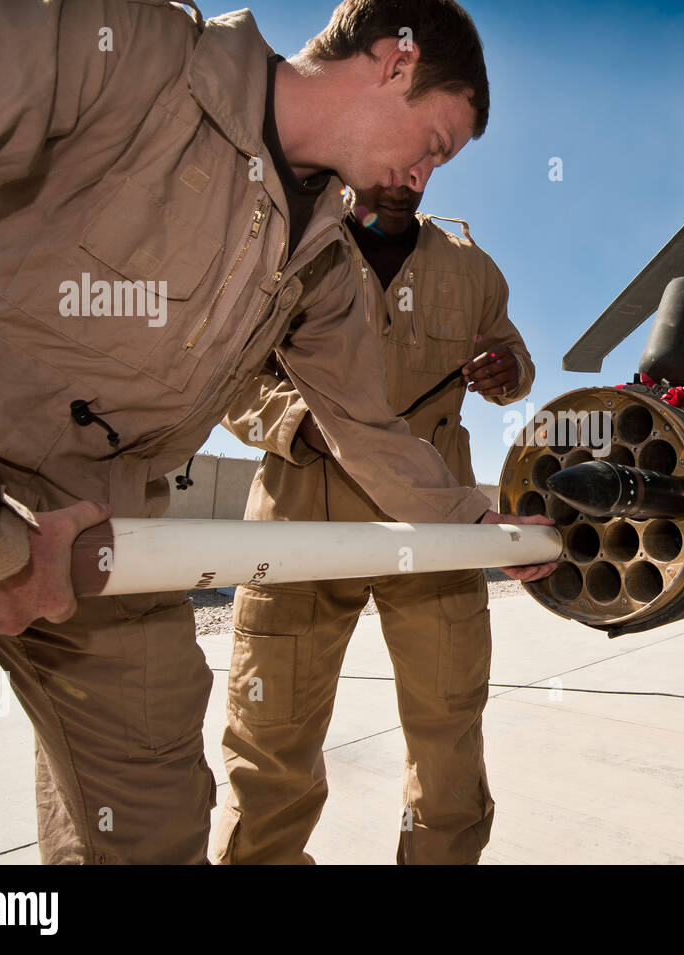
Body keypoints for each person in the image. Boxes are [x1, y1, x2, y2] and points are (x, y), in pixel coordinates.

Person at [0, 0, 552, 864]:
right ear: (396, 61)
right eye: (434, 144)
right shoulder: (113, 46)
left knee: (156, 817)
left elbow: (366, 424)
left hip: (101, 535)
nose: (425, 175)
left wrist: (478, 524)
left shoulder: (321, 263)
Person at [214, 183, 532, 865]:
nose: (411, 170)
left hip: (435, 526)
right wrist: (303, 424)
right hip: (300, 520)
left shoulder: (470, 266)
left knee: (448, 736)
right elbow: (227, 374)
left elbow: (513, 356)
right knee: (270, 742)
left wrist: (509, 368)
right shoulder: (286, 240)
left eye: (434, 155)